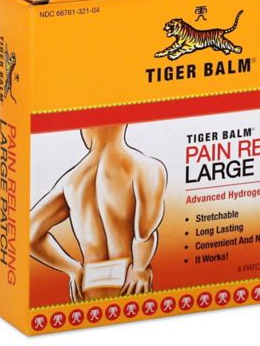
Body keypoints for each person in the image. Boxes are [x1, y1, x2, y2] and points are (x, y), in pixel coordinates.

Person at [30, 124, 167, 302]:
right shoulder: (145, 168)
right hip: (128, 282)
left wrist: (73, 269)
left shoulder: (70, 181)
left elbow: (28, 235)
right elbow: (144, 233)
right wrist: (140, 268)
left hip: (89, 284)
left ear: (85, 128)